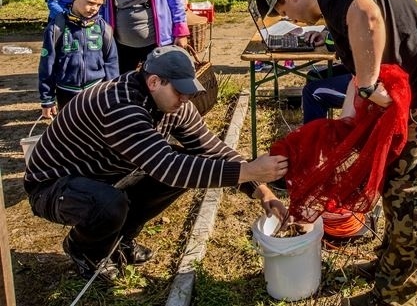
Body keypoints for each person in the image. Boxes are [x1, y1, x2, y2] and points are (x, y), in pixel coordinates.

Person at [261, 0, 417, 306]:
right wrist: (349, 121)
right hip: (416, 101)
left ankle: (393, 297)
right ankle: (387, 266)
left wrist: (368, 85)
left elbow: (367, 16)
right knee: (395, 186)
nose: (294, 21)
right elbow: (360, 57)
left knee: (412, 199)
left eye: (285, 13)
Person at [25, 45, 288, 282]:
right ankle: (85, 249)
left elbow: (210, 149)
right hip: (52, 187)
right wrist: (247, 170)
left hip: (104, 176)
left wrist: (260, 189)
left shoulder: (175, 105)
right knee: (111, 202)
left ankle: (120, 238)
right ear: (153, 82)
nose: (185, 99)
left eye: (189, 91)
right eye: (180, 91)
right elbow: (169, 168)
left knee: (186, 165)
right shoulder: (120, 107)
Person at [300, 0, 366, 123]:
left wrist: (329, 39)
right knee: (313, 76)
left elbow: (343, 41)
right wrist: (324, 33)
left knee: (312, 92)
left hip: (370, 80)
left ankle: (316, 139)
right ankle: (323, 129)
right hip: (356, 69)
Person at [38, 0, 119, 119]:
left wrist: (112, 92)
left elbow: (111, 62)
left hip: (96, 90)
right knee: (69, 127)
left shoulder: (104, 29)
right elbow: (47, 65)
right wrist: (47, 98)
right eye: (90, 2)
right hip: (66, 92)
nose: (94, 8)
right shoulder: (56, 28)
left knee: (95, 127)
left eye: (99, 5)